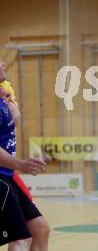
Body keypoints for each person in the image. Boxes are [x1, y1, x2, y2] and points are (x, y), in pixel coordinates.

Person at [0, 88, 50, 250]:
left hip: (8, 175)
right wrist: (20, 164)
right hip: (2, 176)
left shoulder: (5, 94)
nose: (3, 65)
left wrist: (9, 103)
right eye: (0, 62)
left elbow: (16, 120)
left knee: (40, 229)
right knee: (20, 238)